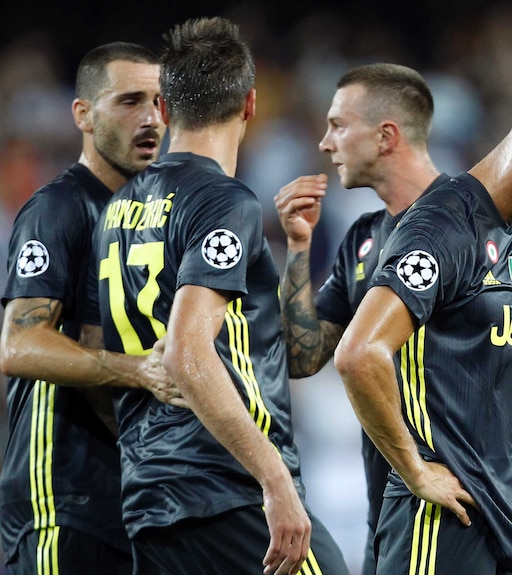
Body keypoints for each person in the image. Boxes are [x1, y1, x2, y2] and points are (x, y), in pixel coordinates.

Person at [275, 62, 512, 575]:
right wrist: (299, 250)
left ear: (386, 135)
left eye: (338, 125)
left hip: (459, 505)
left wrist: (502, 439)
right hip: (402, 501)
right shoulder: (364, 240)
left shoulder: (487, 222)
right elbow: (303, 357)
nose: (326, 143)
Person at [333, 65, 512, 574]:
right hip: (447, 520)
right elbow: (360, 354)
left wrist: (510, 437)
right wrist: (415, 471)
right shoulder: (443, 225)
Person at [84, 17, 349, 575]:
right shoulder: (225, 202)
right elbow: (187, 350)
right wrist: (274, 480)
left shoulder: (113, 213)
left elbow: (100, 357)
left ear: (165, 107)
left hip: (152, 504)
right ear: (252, 104)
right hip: (228, 488)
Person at [0, 41, 178, 575]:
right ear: (83, 114)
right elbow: (19, 343)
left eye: (159, 101)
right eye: (129, 101)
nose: (150, 118)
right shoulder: (59, 208)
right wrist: (139, 373)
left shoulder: (155, 214)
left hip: (134, 497)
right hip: (61, 497)